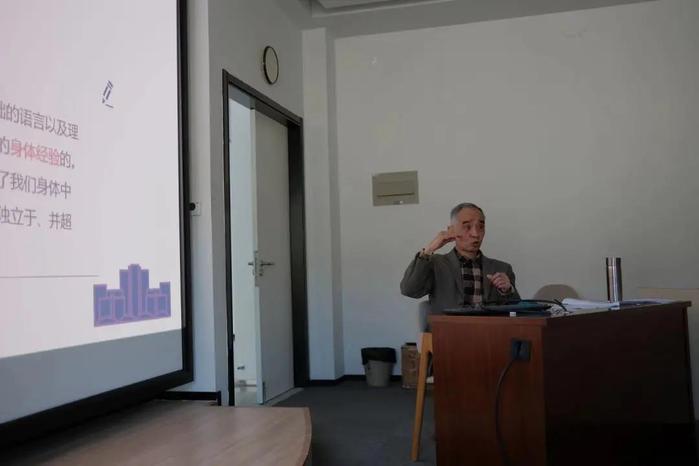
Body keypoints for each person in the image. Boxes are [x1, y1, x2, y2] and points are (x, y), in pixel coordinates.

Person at [400, 202, 520, 313]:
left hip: (489, 328)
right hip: (448, 328)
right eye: (467, 226)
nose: (476, 234)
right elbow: (409, 290)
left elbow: (518, 312)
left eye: (481, 227)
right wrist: (429, 249)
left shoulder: (502, 268)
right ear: (451, 230)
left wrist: (508, 290)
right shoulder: (436, 264)